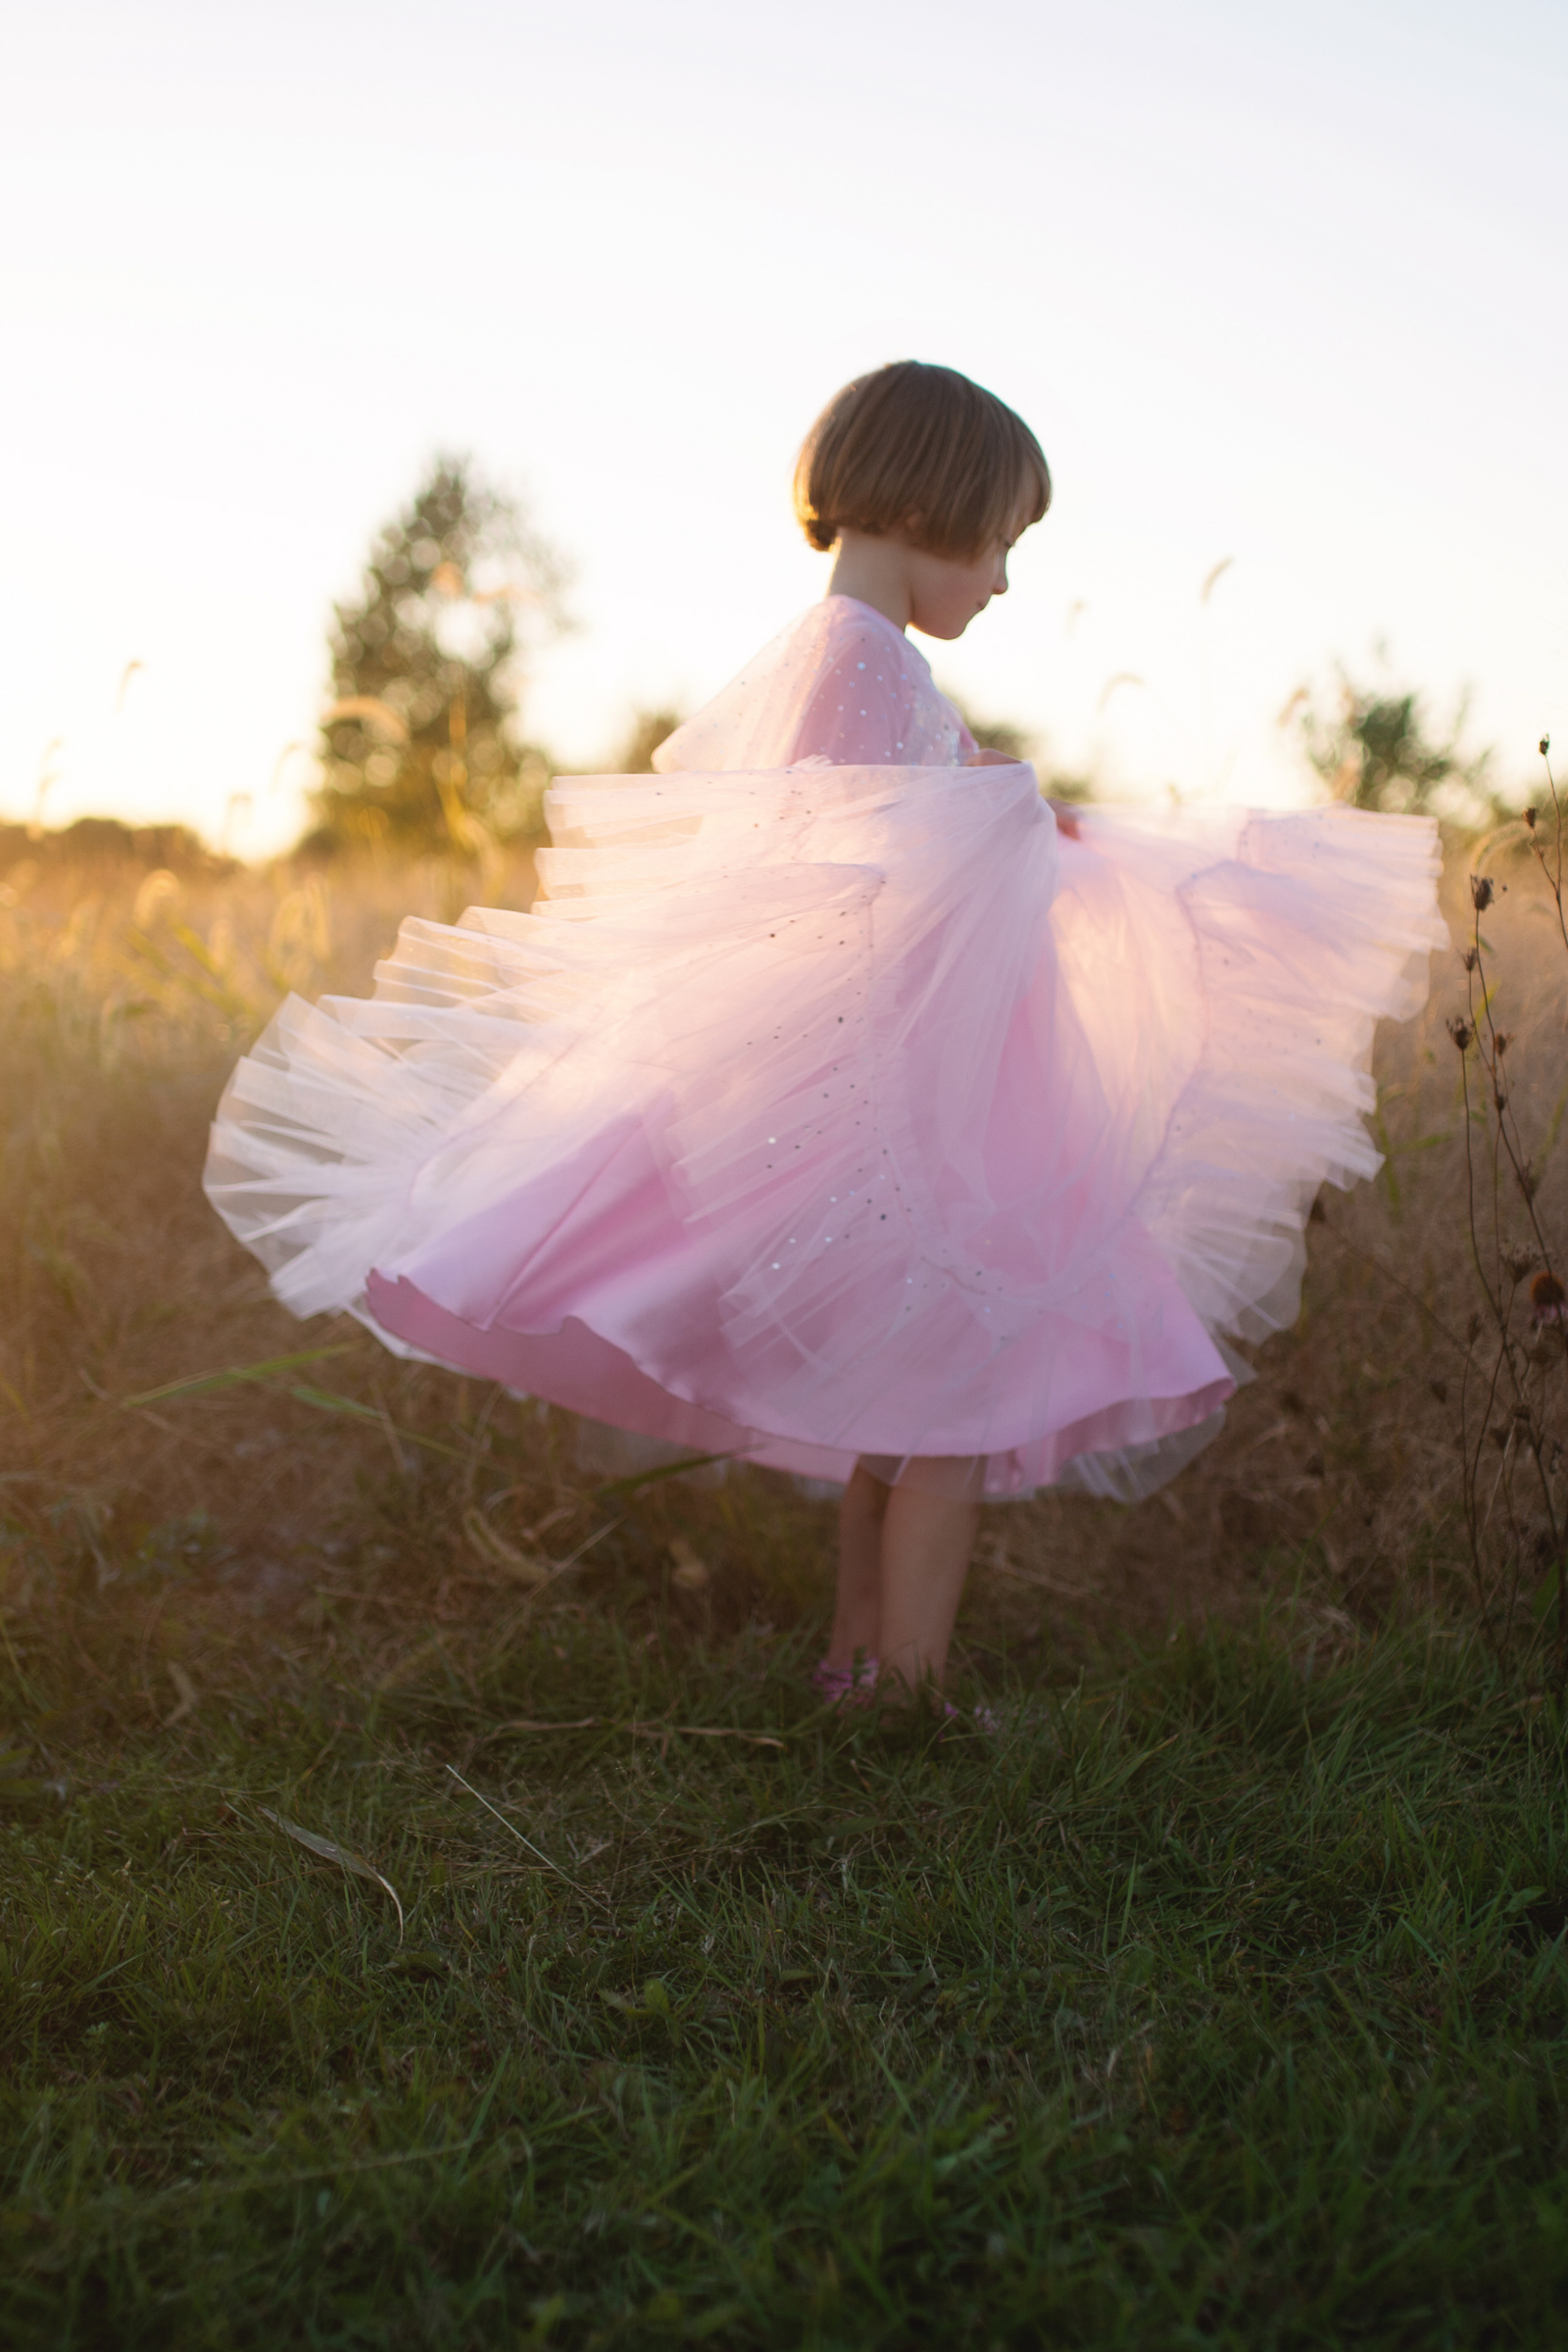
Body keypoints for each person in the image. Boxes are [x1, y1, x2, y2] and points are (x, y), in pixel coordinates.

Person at [206, 362, 1445, 1717]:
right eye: (1006, 545)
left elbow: (908, 822)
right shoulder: (856, 661)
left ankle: (858, 1670)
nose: (1007, 584)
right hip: (886, 1115)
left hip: (902, 1097)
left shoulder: (857, 659)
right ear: (937, 502)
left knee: (907, 1411)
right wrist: (1009, 824)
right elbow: (855, 866)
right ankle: (905, 1691)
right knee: (954, 1414)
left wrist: (1027, 814)